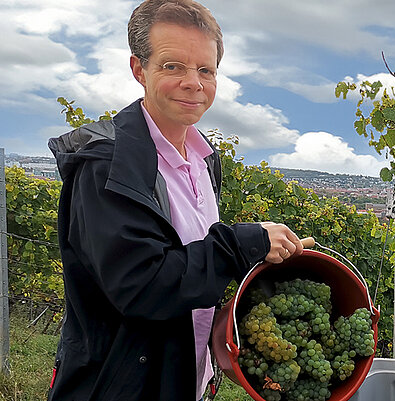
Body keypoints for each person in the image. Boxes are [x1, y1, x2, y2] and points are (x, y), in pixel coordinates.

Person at [46, 0, 303, 399]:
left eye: (205, 70)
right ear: (139, 69)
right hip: (119, 387)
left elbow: (187, 266)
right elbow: (143, 286)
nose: (193, 83)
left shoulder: (203, 162)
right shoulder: (107, 166)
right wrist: (240, 245)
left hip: (181, 380)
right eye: (172, 66)